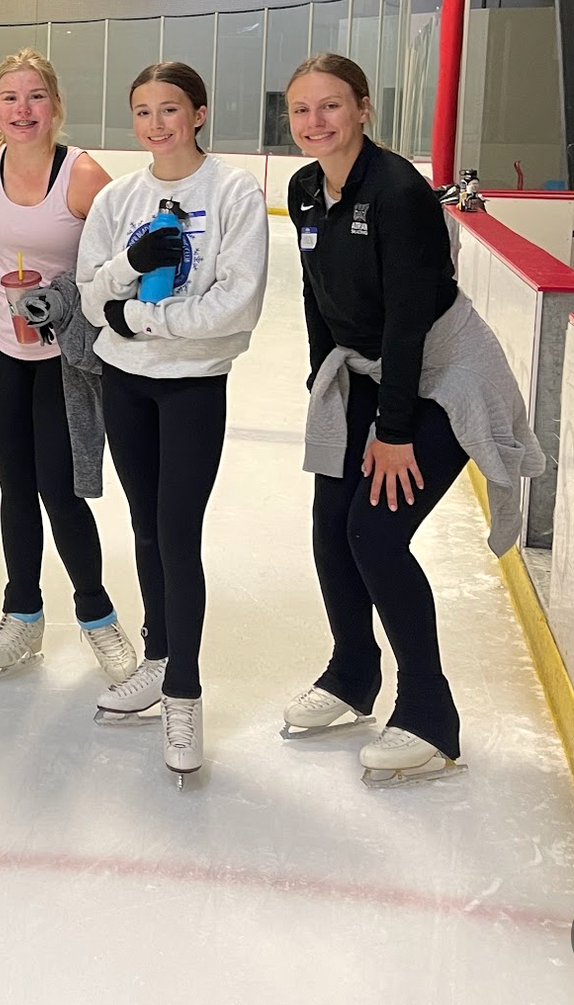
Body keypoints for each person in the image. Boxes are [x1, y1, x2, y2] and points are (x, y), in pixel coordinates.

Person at [282, 53, 541, 785]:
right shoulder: (306, 190)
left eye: (331, 106)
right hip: (368, 372)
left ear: (363, 108)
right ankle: (352, 671)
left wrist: (393, 432)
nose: (315, 122)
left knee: (375, 529)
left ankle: (430, 715)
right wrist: (321, 381)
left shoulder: (397, 193)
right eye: (301, 109)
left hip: (439, 374)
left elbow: (405, 323)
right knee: (330, 522)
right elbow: (317, 297)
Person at [75, 62, 269, 783]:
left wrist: (140, 317)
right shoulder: (121, 198)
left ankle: (183, 689)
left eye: (170, 110)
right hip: (126, 385)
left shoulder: (233, 193)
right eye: (144, 112)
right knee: (147, 529)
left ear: (199, 113)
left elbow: (235, 308)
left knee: (178, 534)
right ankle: (156, 659)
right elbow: (92, 296)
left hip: (190, 389)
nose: (157, 124)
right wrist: (127, 268)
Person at [0, 49, 136, 682]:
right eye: (10, 98)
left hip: (62, 357)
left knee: (59, 490)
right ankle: (23, 612)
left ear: (56, 106)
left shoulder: (84, 177)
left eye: (35, 97)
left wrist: (69, 307)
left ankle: (96, 616)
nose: (23, 109)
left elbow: (122, 268)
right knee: (13, 487)